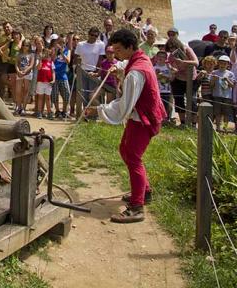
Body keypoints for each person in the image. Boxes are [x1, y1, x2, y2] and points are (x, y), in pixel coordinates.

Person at [86, 29, 167, 223]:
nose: (116, 55)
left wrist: (98, 110)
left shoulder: (136, 74)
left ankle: (137, 206)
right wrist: (118, 67)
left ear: (131, 47)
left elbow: (124, 105)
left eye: (119, 50)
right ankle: (144, 191)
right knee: (125, 150)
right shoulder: (140, 59)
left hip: (144, 119)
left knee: (132, 157)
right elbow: (126, 62)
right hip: (141, 116)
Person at [166, 37, 199, 127]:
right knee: (179, 100)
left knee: (192, 100)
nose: (172, 49)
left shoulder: (187, 49)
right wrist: (172, 68)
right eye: (170, 47)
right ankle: (183, 123)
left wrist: (183, 61)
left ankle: (193, 124)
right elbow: (170, 64)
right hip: (178, 79)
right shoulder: (172, 55)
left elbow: (196, 62)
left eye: (173, 46)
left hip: (191, 78)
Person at [74, 27, 106, 106]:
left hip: (94, 72)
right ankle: (86, 112)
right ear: (88, 34)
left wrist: (96, 72)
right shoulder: (80, 44)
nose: (93, 37)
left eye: (96, 36)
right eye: (92, 35)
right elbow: (76, 57)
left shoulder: (101, 44)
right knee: (84, 92)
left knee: (92, 93)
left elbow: (100, 59)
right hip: (83, 71)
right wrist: (77, 69)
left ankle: (93, 114)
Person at [210, 55, 236, 131]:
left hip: (227, 97)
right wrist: (214, 79)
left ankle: (225, 127)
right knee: (217, 112)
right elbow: (211, 85)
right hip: (217, 95)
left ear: (228, 64)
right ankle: (218, 127)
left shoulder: (230, 74)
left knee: (226, 113)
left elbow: (232, 85)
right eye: (221, 63)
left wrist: (227, 80)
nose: (222, 65)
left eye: (225, 63)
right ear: (218, 63)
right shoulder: (214, 72)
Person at [153, 50, 175, 122]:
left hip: (167, 90)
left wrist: (165, 76)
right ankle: (158, 119)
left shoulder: (169, 67)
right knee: (157, 106)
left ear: (166, 59)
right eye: (159, 56)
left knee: (167, 106)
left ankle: (166, 120)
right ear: (156, 57)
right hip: (157, 90)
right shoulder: (153, 67)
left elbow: (171, 79)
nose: (161, 58)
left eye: (163, 57)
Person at [51, 38, 71, 119]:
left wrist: (62, 53)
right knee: (55, 94)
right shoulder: (54, 50)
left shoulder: (67, 50)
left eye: (62, 42)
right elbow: (52, 60)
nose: (61, 44)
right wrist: (56, 51)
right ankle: (57, 111)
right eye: (59, 42)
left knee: (67, 94)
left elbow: (68, 61)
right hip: (55, 75)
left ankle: (64, 111)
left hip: (63, 75)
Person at [14, 40, 35, 115]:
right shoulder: (19, 54)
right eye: (24, 45)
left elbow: (31, 65)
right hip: (19, 73)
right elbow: (16, 64)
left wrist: (25, 71)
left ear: (29, 46)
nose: (25, 47)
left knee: (26, 91)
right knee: (18, 91)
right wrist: (18, 71)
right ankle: (18, 106)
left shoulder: (31, 55)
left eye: (27, 45)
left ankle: (23, 108)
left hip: (28, 73)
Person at [34, 48, 55, 119]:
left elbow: (53, 72)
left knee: (48, 98)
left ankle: (49, 112)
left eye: (47, 53)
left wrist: (53, 79)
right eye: (44, 53)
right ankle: (39, 112)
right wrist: (40, 59)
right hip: (41, 81)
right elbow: (38, 68)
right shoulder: (40, 61)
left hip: (48, 82)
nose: (46, 55)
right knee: (40, 97)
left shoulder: (51, 62)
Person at [0, 22, 13, 97]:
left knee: (12, 78)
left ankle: (13, 95)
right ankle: (15, 87)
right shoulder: (2, 36)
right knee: (4, 78)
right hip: (5, 61)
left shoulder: (16, 34)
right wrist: (6, 41)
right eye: (5, 28)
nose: (6, 29)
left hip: (14, 61)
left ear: (11, 27)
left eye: (8, 27)